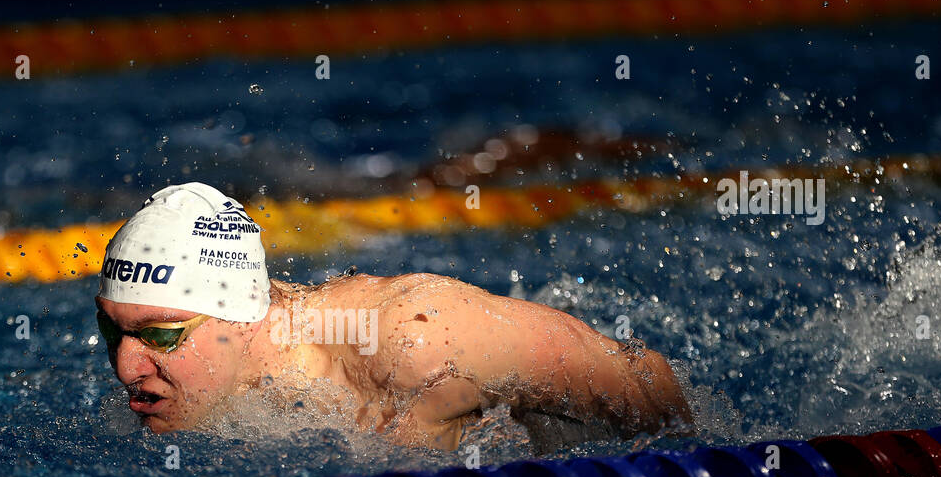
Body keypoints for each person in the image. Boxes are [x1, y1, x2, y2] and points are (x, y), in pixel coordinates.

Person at [94, 182, 693, 452]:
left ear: (243, 318)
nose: (125, 366)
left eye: (161, 335)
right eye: (112, 330)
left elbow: (642, 381)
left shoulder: (415, 343)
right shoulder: (210, 394)